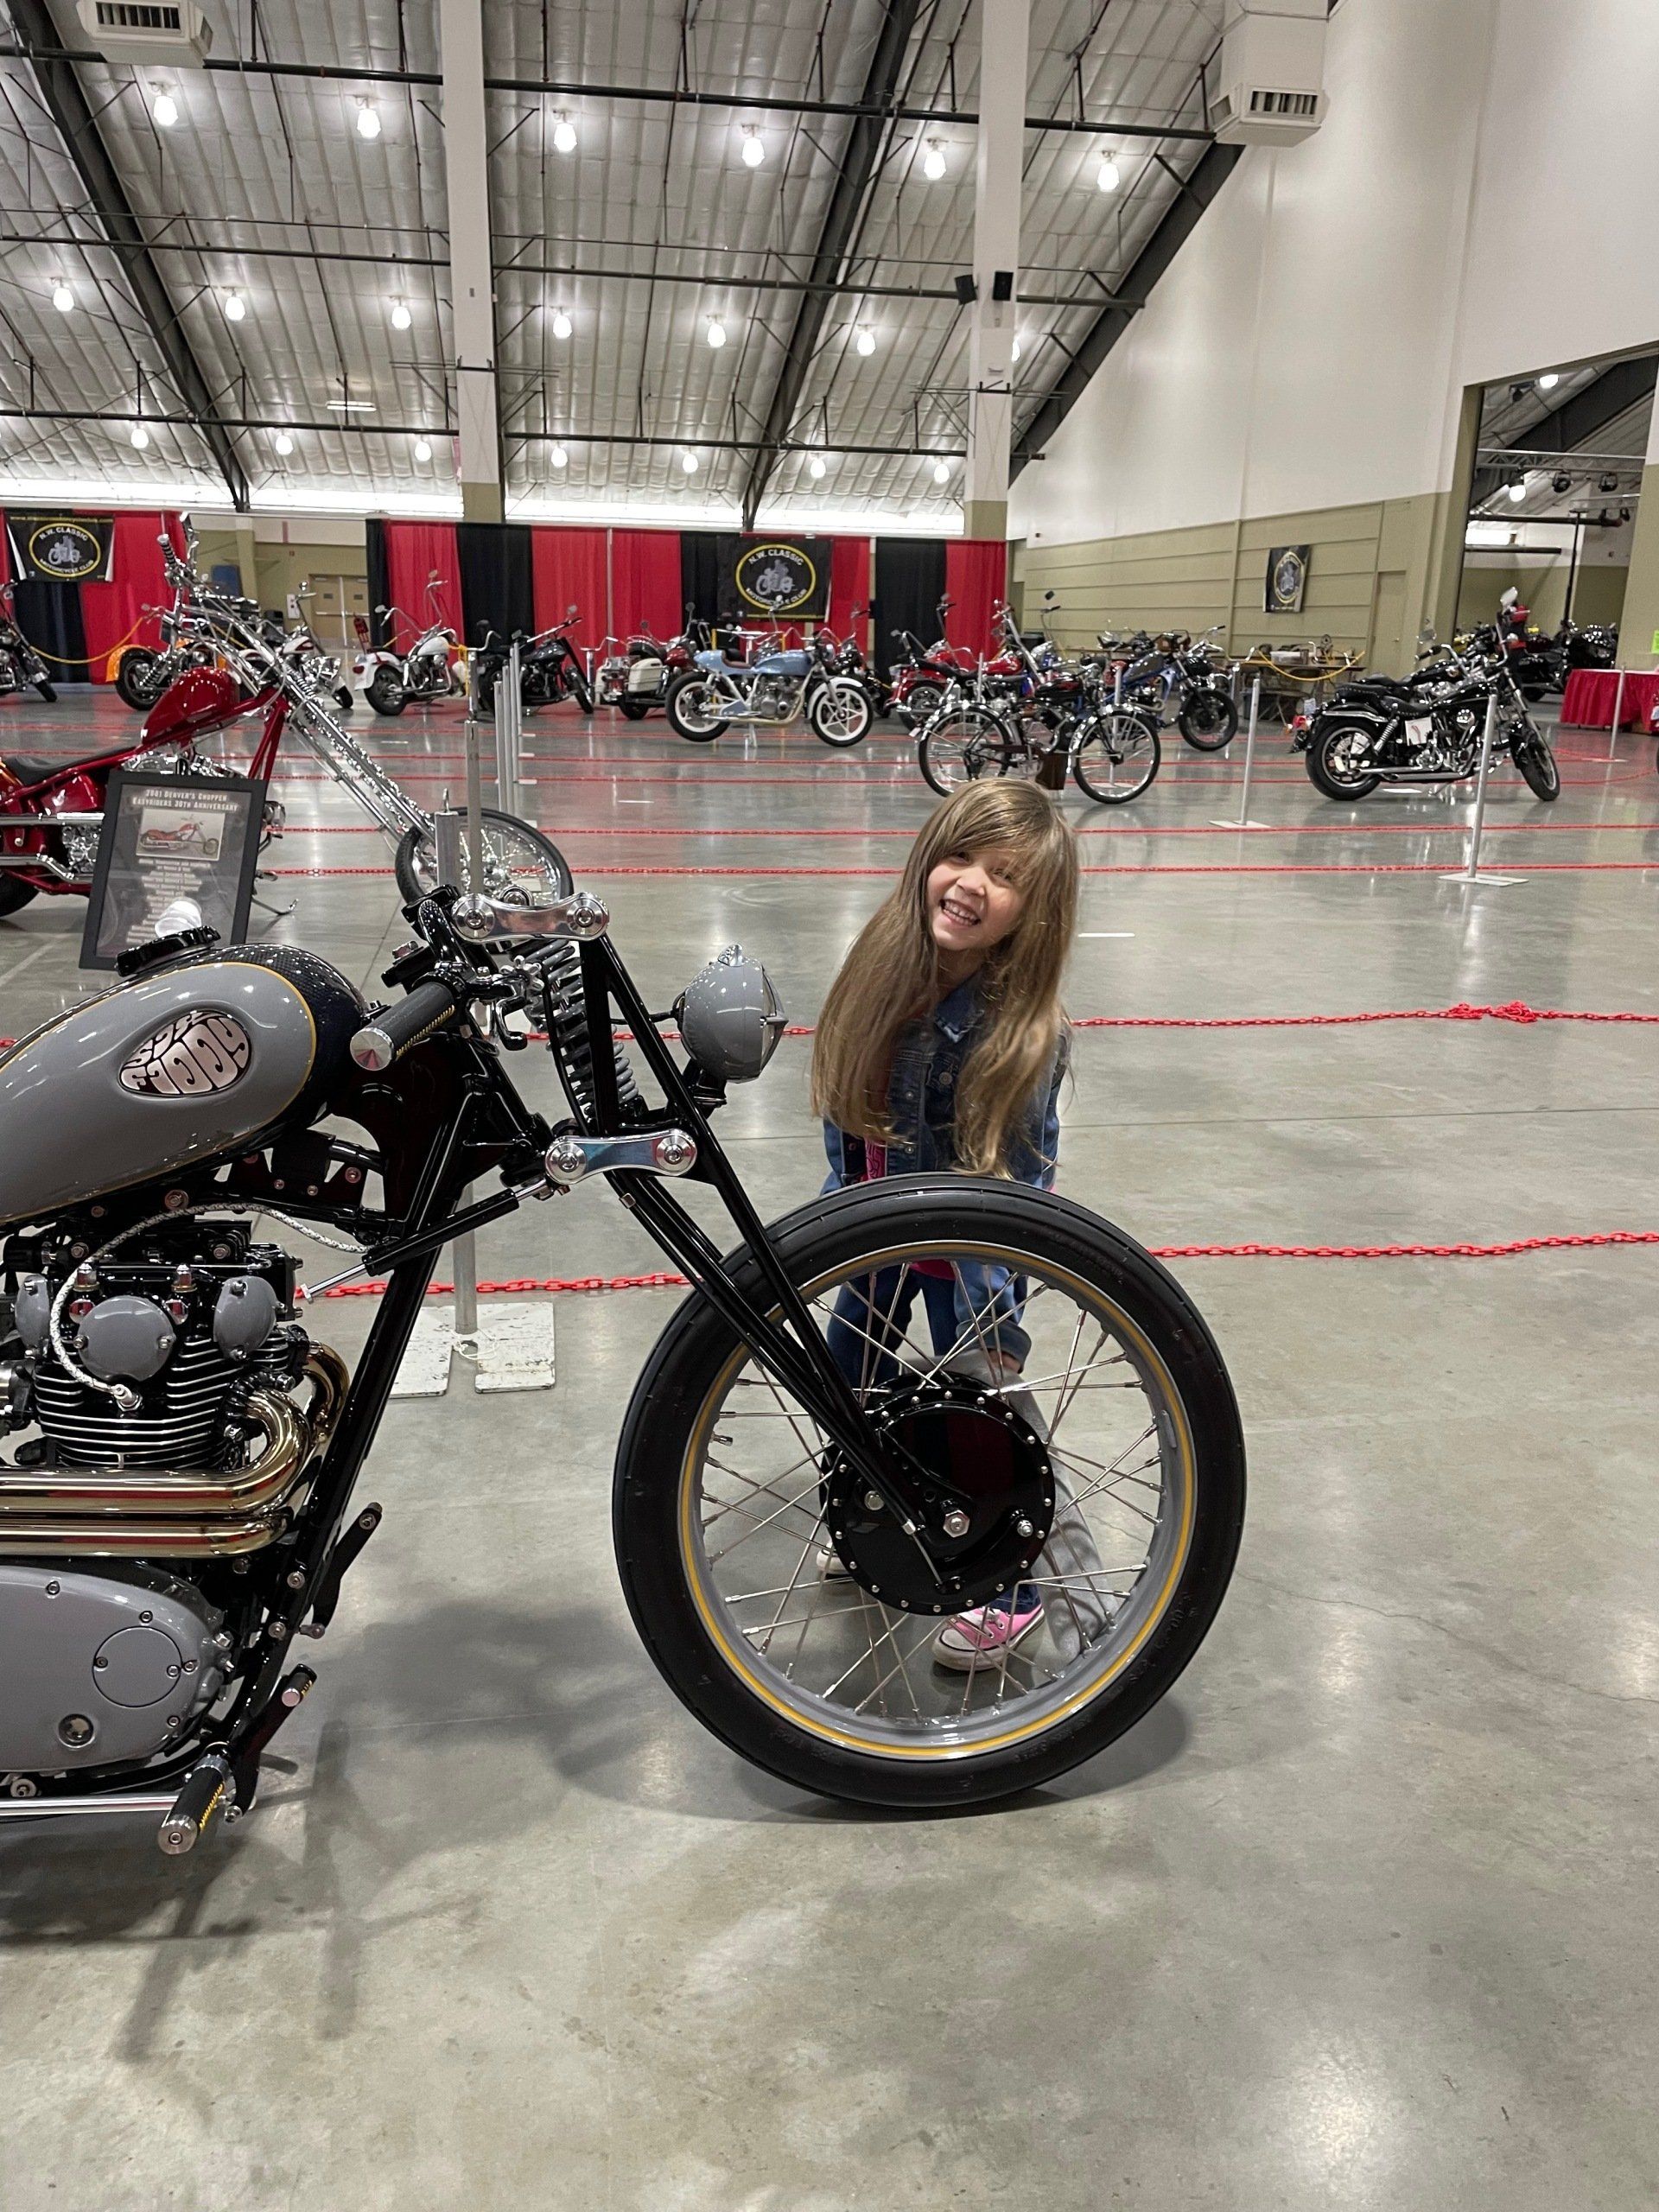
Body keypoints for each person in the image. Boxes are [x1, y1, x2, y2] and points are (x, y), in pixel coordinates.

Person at [810, 779, 1111, 1673]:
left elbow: (1022, 1188)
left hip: (965, 1269)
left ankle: (1022, 1595)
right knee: (846, 1382)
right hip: (873, 1240)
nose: (972, 883)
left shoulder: (1020, 1031)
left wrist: (1002, 1325)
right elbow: (848, 1122)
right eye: (960, 856)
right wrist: (834, 1228)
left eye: (1005, 875)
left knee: (985, 1426)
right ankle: (870, 1509)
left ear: (1033, 913)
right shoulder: (882, 971)